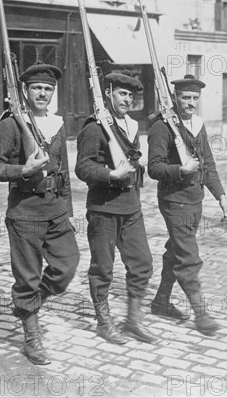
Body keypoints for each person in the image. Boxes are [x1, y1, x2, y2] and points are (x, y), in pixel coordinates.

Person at [0, 64, 79, 365]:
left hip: (56, 211)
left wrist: (70, 211)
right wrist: (22, 170)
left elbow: (63, 171)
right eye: (37, 87)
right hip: (24, 213)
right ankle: (32, 338)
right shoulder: (11, 124)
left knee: (67, 265)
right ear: (25, 91)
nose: (43, 93)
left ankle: (28, 305)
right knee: (27, 277)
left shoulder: (57, 124)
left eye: (48, 88)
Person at [75, 71, 157, 345]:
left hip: (131, 207)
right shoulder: (94, 126)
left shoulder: (132, 125)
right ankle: (104, 322)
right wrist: (110, 174)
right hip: (104, 208)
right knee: (103, 268)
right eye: (122, 93)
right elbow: (83, 167)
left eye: (131, 95)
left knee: (142, 262)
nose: (127, 99)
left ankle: (133, 320)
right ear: (108, 93)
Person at [147, 74, 227, 336]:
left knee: (176, 250)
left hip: (195, 200)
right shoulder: (162, 126)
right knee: (188, 256)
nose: (191, 102)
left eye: (195, 98)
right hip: (174, 200)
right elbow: (154, 168)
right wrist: (181, 170)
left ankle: (161, 301)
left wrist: (220, 195)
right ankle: (201, 314)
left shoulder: (197, 124)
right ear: (175, 98)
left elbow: (208, 162)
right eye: (185, 97)